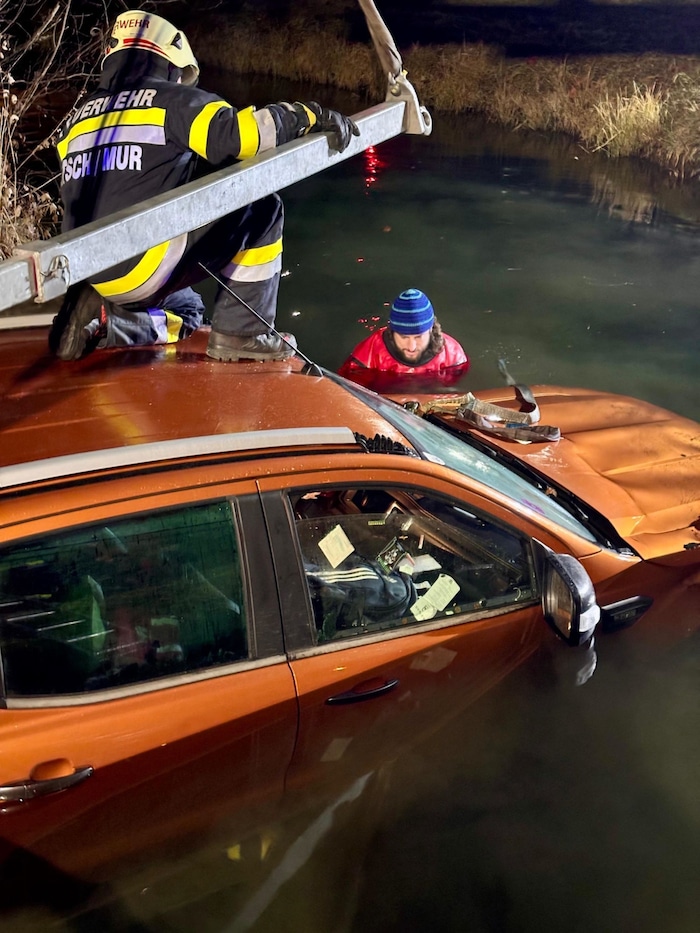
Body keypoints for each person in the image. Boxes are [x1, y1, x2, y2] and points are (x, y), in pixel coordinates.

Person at [50, 9, 359, 362]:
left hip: (87, 269)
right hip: (141, 268)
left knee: (189, 310)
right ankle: (243, 333)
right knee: (262, 208)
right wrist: (309, 115)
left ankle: (107, 321)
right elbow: (240, 136)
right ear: (169, 58)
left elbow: (119, 182)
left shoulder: (77, 119)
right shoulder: (173, 100)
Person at [338, 287, 469, 384]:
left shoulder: (453, 357)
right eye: (403, 337)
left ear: (431, 330)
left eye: (418, 337)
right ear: (392, 332)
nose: (411, 347)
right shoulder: (368, 355)